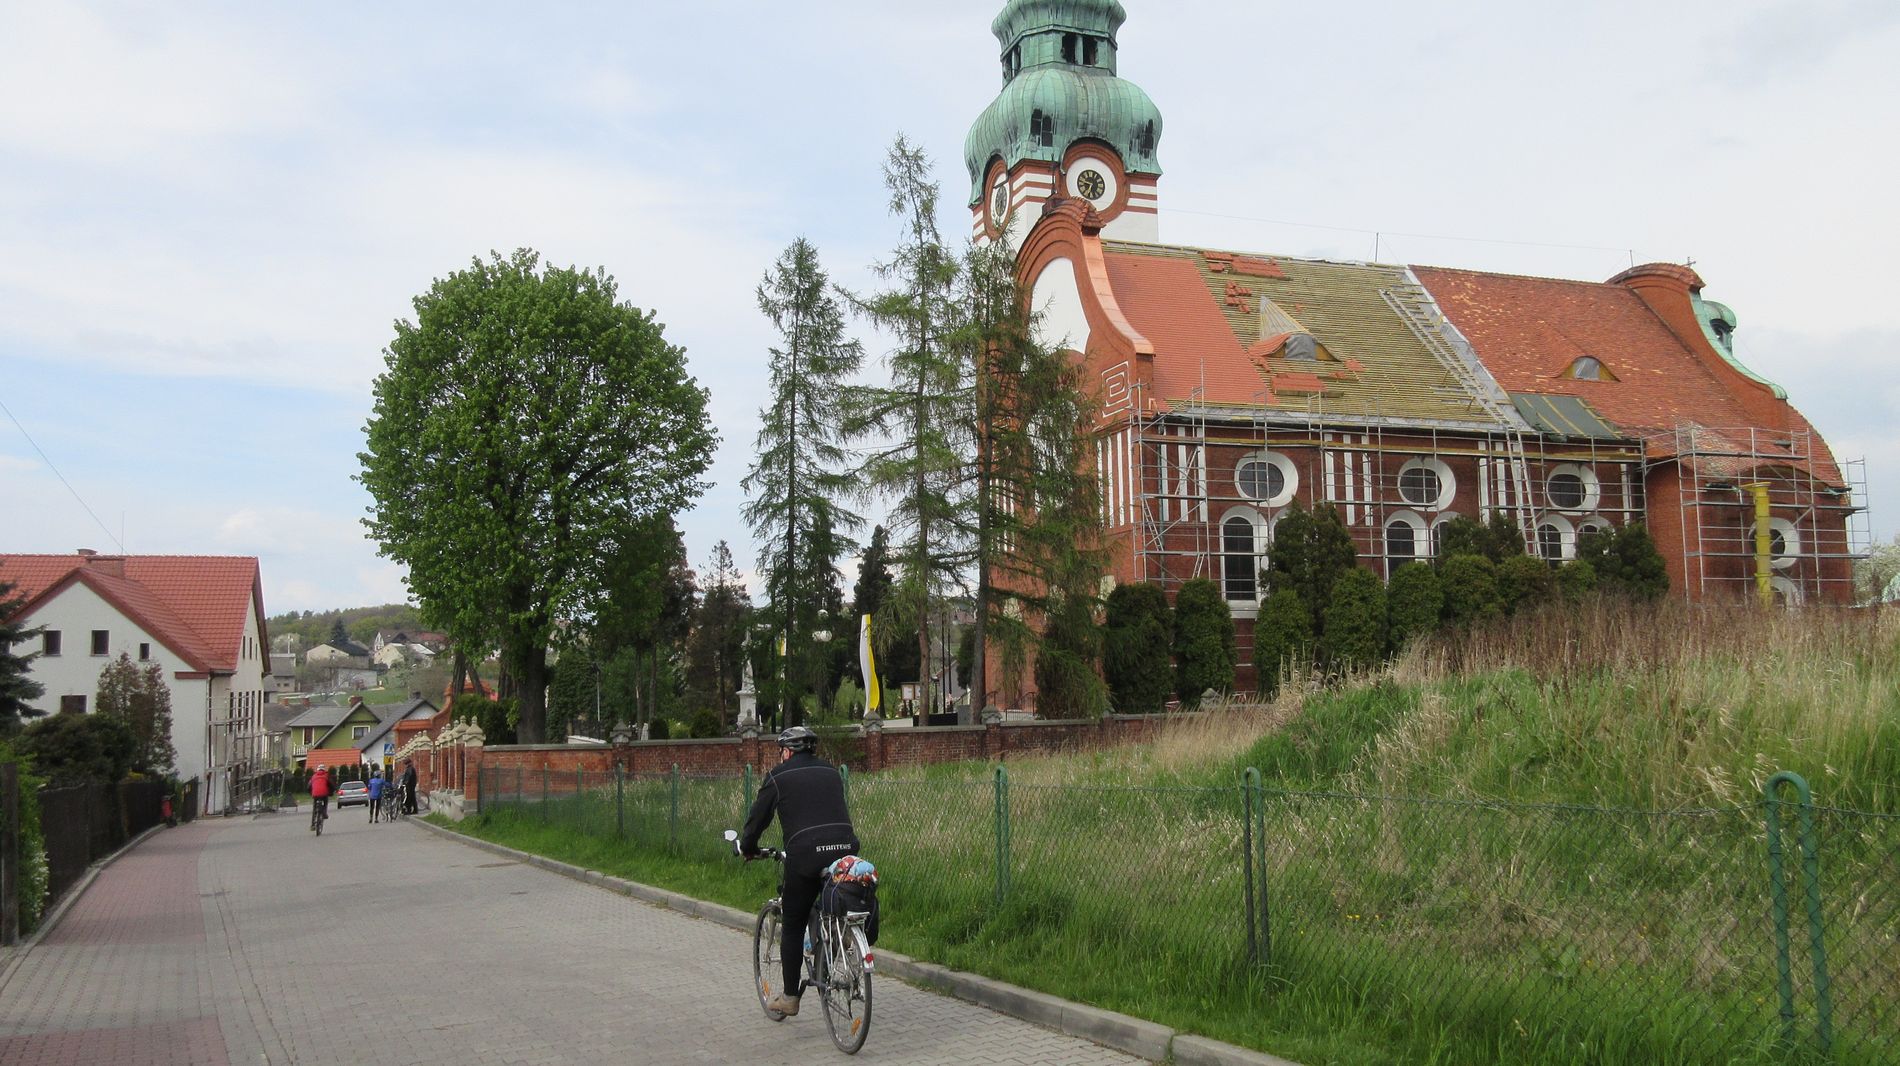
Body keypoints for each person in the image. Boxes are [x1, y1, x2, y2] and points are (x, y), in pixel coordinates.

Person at [739, 726, 858, 1019]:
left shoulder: (778, 776)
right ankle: (837, 934)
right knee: (828, 896)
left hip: (805, 855)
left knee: (793, 922)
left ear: (788, 751)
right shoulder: (831, 772)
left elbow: (757, 819)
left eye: (781, 750)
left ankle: (791, 997)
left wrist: (748, 847)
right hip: (845, 849)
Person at [308, 766, 332, 832]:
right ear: (324, 770)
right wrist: (331, 792)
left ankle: (313, 825)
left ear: (317, 770)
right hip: (324, 794)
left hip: (315, 794)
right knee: (325, 801)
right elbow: (331, 785)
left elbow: (309, 786)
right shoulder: (326, 776)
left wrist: (311, 793)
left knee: (314, 809)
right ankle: (324, 813)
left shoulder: (313, 776)